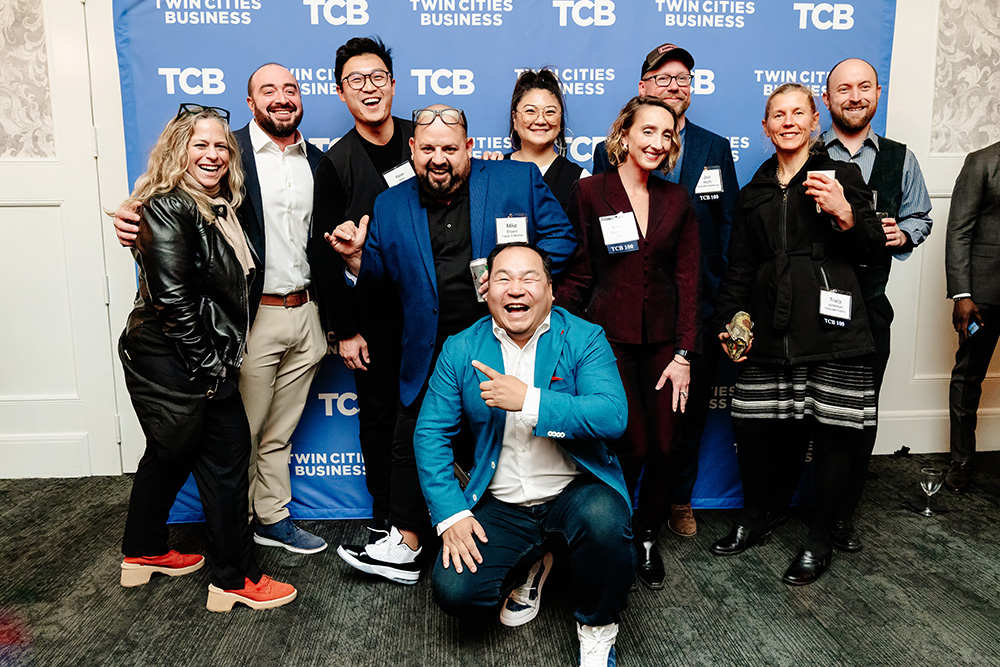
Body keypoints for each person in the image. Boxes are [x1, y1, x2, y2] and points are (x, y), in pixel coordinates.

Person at [326, 105, 576, 585]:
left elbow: (562, 240)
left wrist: (517, 282)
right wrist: (356, 260)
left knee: (505, 439)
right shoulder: (390, 204)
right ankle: (407, 544)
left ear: (469, 148)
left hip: (503, 342)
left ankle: (514, 541)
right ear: (412, 150)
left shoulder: (515, 180)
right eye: (428, 149)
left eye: (449, 148)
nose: (438, 158)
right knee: (410, 437)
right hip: (429, 349)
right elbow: (377, 282)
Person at [115, 64, 328, 555]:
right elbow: (163, 203)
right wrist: (131, 220)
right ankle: (236, 536)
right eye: (268, 90)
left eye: (291, 89)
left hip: (307, 312)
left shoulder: (319, 161)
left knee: (279, 432)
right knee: (236, 438)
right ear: (250, 103)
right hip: (250, 320)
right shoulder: (227, 153)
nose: (281, 97)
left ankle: (272, 517)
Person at [414, 242, 632, 667]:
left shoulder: (584, 337)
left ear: (550, 290)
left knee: (604, 520)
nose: (516, 288)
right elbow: (430, 433)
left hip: (574, 493)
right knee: (455, 592)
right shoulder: (460, 348)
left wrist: (529, 401)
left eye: (529, 278)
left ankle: (598, 630)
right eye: (504, 278)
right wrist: (451, 514)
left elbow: (612, 414)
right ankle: (534, 560)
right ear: (486, 290)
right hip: (503, 503)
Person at [711, 83, 885, 586]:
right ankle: (755, 517)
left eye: (797, 113)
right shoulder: (754, 192)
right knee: (752, 426)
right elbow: (740, 267)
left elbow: (874, 249)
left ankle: (819, 538)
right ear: (765, 128)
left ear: (813, 122)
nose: (788, 122)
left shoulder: (842, 176)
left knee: (833, 435)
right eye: (778, 115)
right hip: (769, 327)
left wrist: (846, 213)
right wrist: (731, 318)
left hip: (832, 329)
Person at [594, 43, 738, 540]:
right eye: (663, 77)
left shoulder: (714, 147)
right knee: (633, 425)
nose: (674, 85)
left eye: (683, 78)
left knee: (686, 416)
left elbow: (726, 229)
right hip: (628, 312)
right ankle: (618, 513)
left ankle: (679, 499)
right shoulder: (608, 156)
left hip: (697, 306)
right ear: (643, 87)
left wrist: (722, 304)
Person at [556, 96, 700, 589]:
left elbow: (688, 279)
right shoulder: (590, 191)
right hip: (608, 339)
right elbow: (580, 271)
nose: (657, 142)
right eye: (648, 131)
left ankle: (647, 535)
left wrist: (684, 353)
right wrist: (552, 326)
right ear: (625, 133)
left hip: (663, 342)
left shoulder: (677, 199)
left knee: (666, 445)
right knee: (631, 443)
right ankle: (612, 531)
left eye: (667, 134)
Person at [820, 57, 934, 545]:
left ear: (877, 94)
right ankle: (804, 506)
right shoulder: (806, 151)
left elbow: (921, 216)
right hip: (812, 306)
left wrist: (902, 235)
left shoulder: (900, 158)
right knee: (810, 413)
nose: (854, 96)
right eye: (844, 88)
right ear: (827, 98)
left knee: (860, 415)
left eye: (864, 87)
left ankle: (841, 515)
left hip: (869, 305)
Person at [310, 36, 413, 551]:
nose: (369, 88)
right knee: (378, 417)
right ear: (340, 92)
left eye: (377, 77)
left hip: (434, 309)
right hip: (373, 317)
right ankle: (385, 516)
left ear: (392, 84)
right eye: (356, 80)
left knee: (443, 413)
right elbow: (324, 255)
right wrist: (345, 330)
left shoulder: (424, 140)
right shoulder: (335, 164)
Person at [945, 140, 1000, 493]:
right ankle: (961, 460)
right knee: (968, 376)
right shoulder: (982, 162)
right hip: (983, 296)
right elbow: (959, 229)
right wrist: (962, 294)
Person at [503, 68, 589, 211]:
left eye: (550, 112)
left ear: (560, 119)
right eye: (530, 111)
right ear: (514, 118)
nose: (540, 120)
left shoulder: (581, 180)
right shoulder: (494, 170)